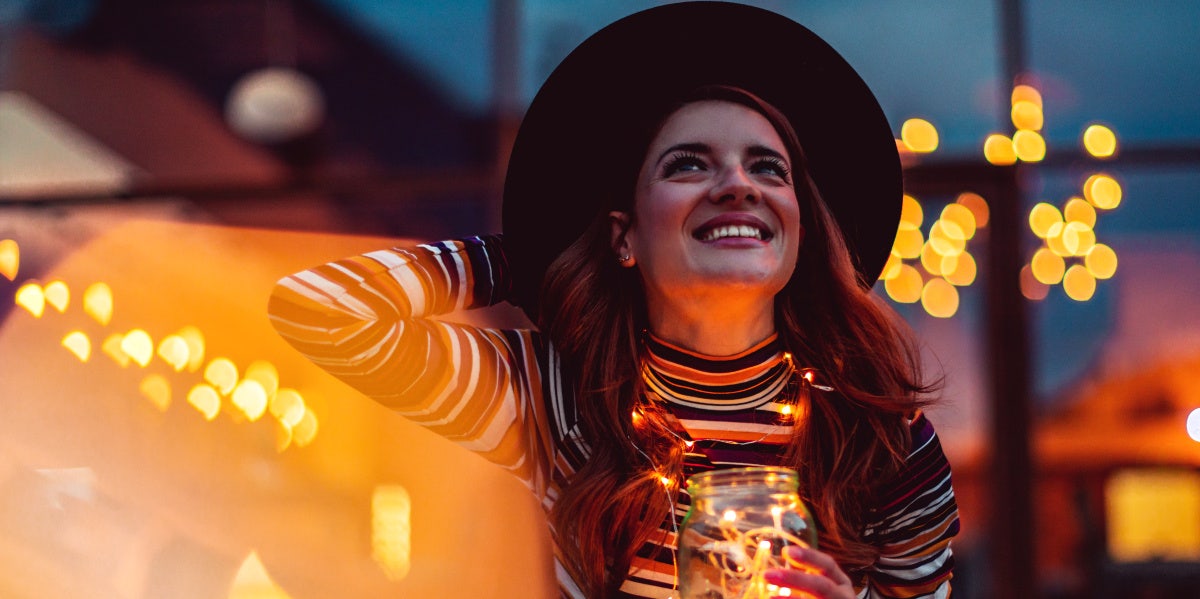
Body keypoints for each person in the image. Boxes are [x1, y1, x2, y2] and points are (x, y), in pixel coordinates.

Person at [268, 3, 959, 598]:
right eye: (689, 163)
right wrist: (521, 258)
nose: (737, 184)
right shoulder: (552, 395)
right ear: (624, 235)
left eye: (766, 167)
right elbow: (318, 309)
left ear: (799, 232)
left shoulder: (880, 432)